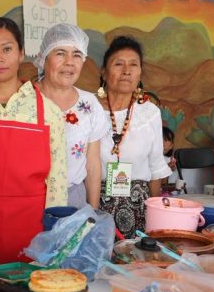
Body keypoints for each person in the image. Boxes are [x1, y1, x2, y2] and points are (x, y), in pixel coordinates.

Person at [0, 17, 67, 267]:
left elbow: (57, 183)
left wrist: (53, 240)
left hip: (35, 237)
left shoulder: (49, 112)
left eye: (7, 49)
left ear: (21, 53)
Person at [97, 35, 172, 238]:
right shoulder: (90, 110)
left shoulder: (149, 113)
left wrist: (157, 221)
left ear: (140, 73)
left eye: (134, 65)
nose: (126, 71)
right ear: (104, 72)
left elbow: (156, 168)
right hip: (95, 206)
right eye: (118, 64)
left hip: (138, 207)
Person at [34, 23, 107, 209]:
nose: (69, 62)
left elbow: (92, 164)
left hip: (73, 199)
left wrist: (93, 211)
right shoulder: (23, 100)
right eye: (60, 53)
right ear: (44, 59)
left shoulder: (89, 104)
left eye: (77, 54)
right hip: (30, 198)